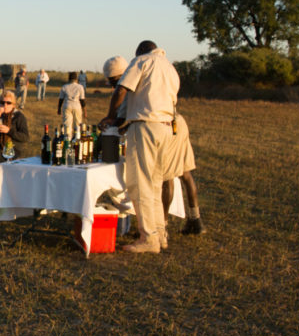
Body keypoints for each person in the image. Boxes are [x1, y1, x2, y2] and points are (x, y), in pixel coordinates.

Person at [99, 40, 179, 254]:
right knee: (155, 182)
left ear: (140, 52)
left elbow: (121, 90)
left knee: (139, 183)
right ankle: (160, 234)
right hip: (165, 128)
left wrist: (110, 116)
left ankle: (148, 238)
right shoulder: (170, 68)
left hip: (145, 127)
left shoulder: (141, 62)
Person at [161, 114, 206, 235]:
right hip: (178, 121)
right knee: (185, 172)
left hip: (165, 123)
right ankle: (195, 219)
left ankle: (162, 226)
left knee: (167, 175)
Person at [57, 71, 86, 139]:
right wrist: (85, 111)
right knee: (78, 124)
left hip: (67, 105)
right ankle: (77, 139)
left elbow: (61, 99)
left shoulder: (64, 87)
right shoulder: (80, 87)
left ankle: (68, 140)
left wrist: (59, 108)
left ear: (69, 78)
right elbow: (82, 100)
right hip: (77, 106)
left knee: (67, 125)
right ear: (76, 79)